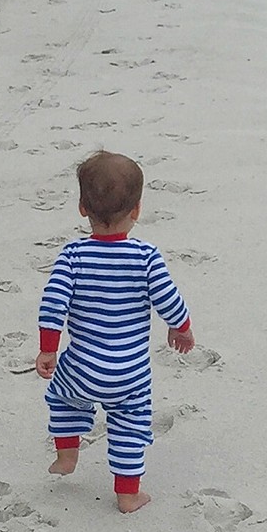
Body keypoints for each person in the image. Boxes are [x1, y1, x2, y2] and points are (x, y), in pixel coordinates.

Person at [35, 151, 195, 513]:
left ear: (81, 208)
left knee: (62, 397)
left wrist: (48, 349)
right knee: (130, 428)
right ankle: (127, 494)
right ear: (137, 210)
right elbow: (169, 298)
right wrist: (181, 327)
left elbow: (53, 304)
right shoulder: (146, 257)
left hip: (81, 367)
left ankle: (67, 456)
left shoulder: (72, 256)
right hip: (130, 374)